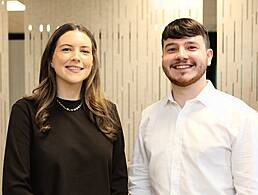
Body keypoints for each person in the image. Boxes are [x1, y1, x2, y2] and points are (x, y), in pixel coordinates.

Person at [129, 18, 258, 195]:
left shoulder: (241, 116)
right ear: (163, 58)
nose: (181, 55)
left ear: (209, 56)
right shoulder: (149, 117)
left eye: (191, 47)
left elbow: (250, 189)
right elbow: (139, 184)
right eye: (172, 49)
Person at [3, 23, 128, 195]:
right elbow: (15, 186)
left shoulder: (108, 113)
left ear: (92, 62)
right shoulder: (26, 111)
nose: (76, 57)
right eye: (67, 49)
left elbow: (118, 183)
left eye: (84, 51)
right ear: (51, 60)